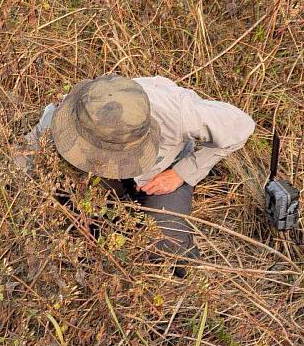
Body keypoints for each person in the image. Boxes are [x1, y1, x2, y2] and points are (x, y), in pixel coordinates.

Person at [17, 74, 255, 260]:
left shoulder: (176, 111)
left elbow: (241, 126)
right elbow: (24, 157)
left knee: (167, 243)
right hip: (95, 179)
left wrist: (182, 172)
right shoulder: (75, 113)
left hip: (162, 172)